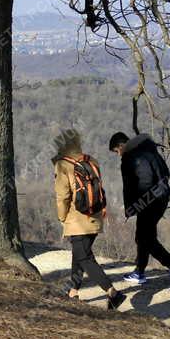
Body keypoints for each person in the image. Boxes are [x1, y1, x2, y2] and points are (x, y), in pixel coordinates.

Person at [54, 130, 126, 310]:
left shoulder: (63, 165)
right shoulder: (91, 160)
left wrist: (62, 217)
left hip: (77, 220)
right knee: (79, 254)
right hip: (95, 217)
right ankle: (73, 291)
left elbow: (62, 196)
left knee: (84, 257)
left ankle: (112, 293)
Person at [109, 131, 170, 290]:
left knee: (146, 239)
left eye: (117, 151)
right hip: (159, 197)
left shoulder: (133, 156)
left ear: (121, 145)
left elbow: (144, 181)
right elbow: (165, 172)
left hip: (149, 201)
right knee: (142, 236)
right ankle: (139, 272)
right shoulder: (149, 150)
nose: (118, 155)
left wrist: (137, 204)